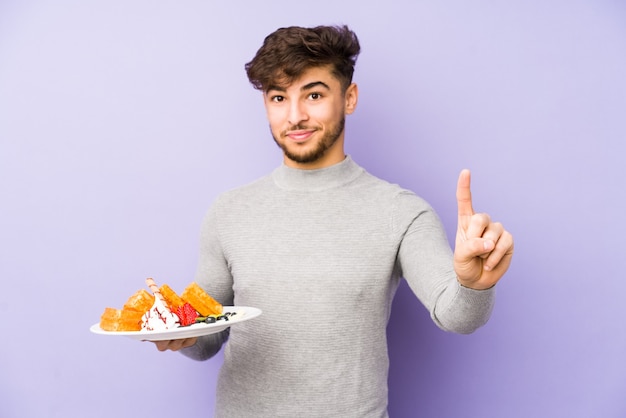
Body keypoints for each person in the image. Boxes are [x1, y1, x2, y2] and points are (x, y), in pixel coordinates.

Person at [154, 25, 514, 418]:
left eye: (313, 94)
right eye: (278, 97)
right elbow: (207, 338)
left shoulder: (401, 211)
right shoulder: (228, 211)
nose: (296, 116)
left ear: (349, 97)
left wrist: (474, 285)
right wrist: (180, 333)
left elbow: (457, 316)